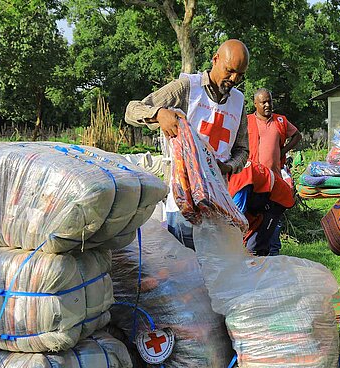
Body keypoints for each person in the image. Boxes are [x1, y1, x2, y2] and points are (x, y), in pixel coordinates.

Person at [125, 39, 250, 249]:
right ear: (215, 59)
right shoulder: (187, 88)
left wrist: (227, 166)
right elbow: (132, 109)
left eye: (240, 74)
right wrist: (158, 113)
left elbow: (242, 149)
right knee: (182, 269)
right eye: (229, 71)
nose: (234, 79)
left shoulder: (238, 102)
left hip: (218, 203)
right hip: (183, 202)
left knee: (213, 272)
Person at [228, 88, 300, 256]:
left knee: (272, 224)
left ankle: (272, 259)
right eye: (263, 102)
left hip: (274, 182)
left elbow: (297, 136)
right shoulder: (246, 121)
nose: (267, 105)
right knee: (250, 221)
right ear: (255, 104)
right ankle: (247, 255)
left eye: (270, 101)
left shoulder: (280, 121)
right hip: (251, 182)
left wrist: (282, 151)